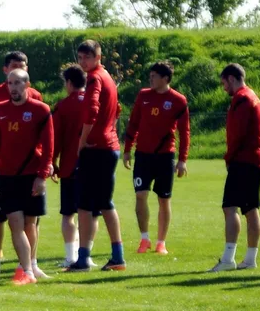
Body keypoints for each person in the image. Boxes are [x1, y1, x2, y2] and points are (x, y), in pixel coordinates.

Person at [0, 69, 54, 285]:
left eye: (17, 83)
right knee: (15, 223)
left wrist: (42, 176)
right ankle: (26, 271)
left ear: (27, 85)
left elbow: (49, 147)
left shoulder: (41, 110)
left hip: (32, 176)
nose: (13, 87)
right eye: (10, 83)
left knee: (30, 224)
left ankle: (31, 265)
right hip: (7, 177)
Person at [67, 40, 125, 272]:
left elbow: (92, 110)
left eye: (87, 57)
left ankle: (84, 259)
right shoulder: (107, 76)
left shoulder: (94, 78)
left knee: (84, 204)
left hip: (96, 148)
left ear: (97, 57)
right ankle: (116, 256)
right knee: (102, 203)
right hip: (109, 146)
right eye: (80, 58)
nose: (83, 62)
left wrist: (82, 141)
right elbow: (116, 110)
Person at [122, 61, 190, 256]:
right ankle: (144, 239)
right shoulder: (143, 96)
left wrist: (182, 160)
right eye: (150, 76)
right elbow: (133, 123)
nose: (150, 79)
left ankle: (161, 242)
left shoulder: (178, 100)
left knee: (163, 199)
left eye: (154, 76)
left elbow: (184, 132)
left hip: (165, 157)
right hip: (143, 156)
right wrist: (127, 150)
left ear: (165, 79)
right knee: (140, 195)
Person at [209, 63, 260, 272]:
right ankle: (250, 259)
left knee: (230, 207)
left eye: (224, 83)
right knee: (250, 209)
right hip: (254, 159)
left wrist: (229, 157)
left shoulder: (241, 99)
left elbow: (237, 134)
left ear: (231, 79)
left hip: (243, 160)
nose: (224, 88)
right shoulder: (253, 96)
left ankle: (228, 259)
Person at [51, 64, 87, 268]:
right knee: (89, 214)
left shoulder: (63, 106)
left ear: (70, 83)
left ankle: (70, 256)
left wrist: (52, 161)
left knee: (68, 215)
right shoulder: (94, 102)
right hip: (93, 165)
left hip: (70, 167)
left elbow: (56, 138)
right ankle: (86, 254)